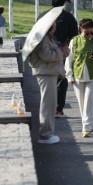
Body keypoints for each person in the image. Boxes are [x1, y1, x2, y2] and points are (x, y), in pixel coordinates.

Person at [27, 16, 64, 144]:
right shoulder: (42, 38)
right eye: (53, 25)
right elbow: (47, 55)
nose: (55, 27)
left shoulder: (47, 38)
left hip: (49, 73)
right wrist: (60, 52)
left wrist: (60, 51)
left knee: (50, 103)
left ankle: (47, 132)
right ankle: (45, 134)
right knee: (48, 104)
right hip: (46, 73)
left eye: (55, 25)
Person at [66, 19, 93, 138]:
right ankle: (86, 128)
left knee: (89, 102)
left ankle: (88, 125)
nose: (89, 31)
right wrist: (69, 76)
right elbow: (69, 59)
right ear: (81, 28)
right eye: (86, 28)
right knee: (81, 103)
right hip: (77, 75)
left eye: (91, 28)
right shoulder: (74, 41)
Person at [52, 0, 78, 118]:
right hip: (62, 53)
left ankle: (48, 108)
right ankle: (58, 109)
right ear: (64, 2)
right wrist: (66, 44)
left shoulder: (43, 16)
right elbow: (74, 36)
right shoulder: (68, 17)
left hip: (44, 54)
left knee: (47, 81)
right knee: (61, 80)